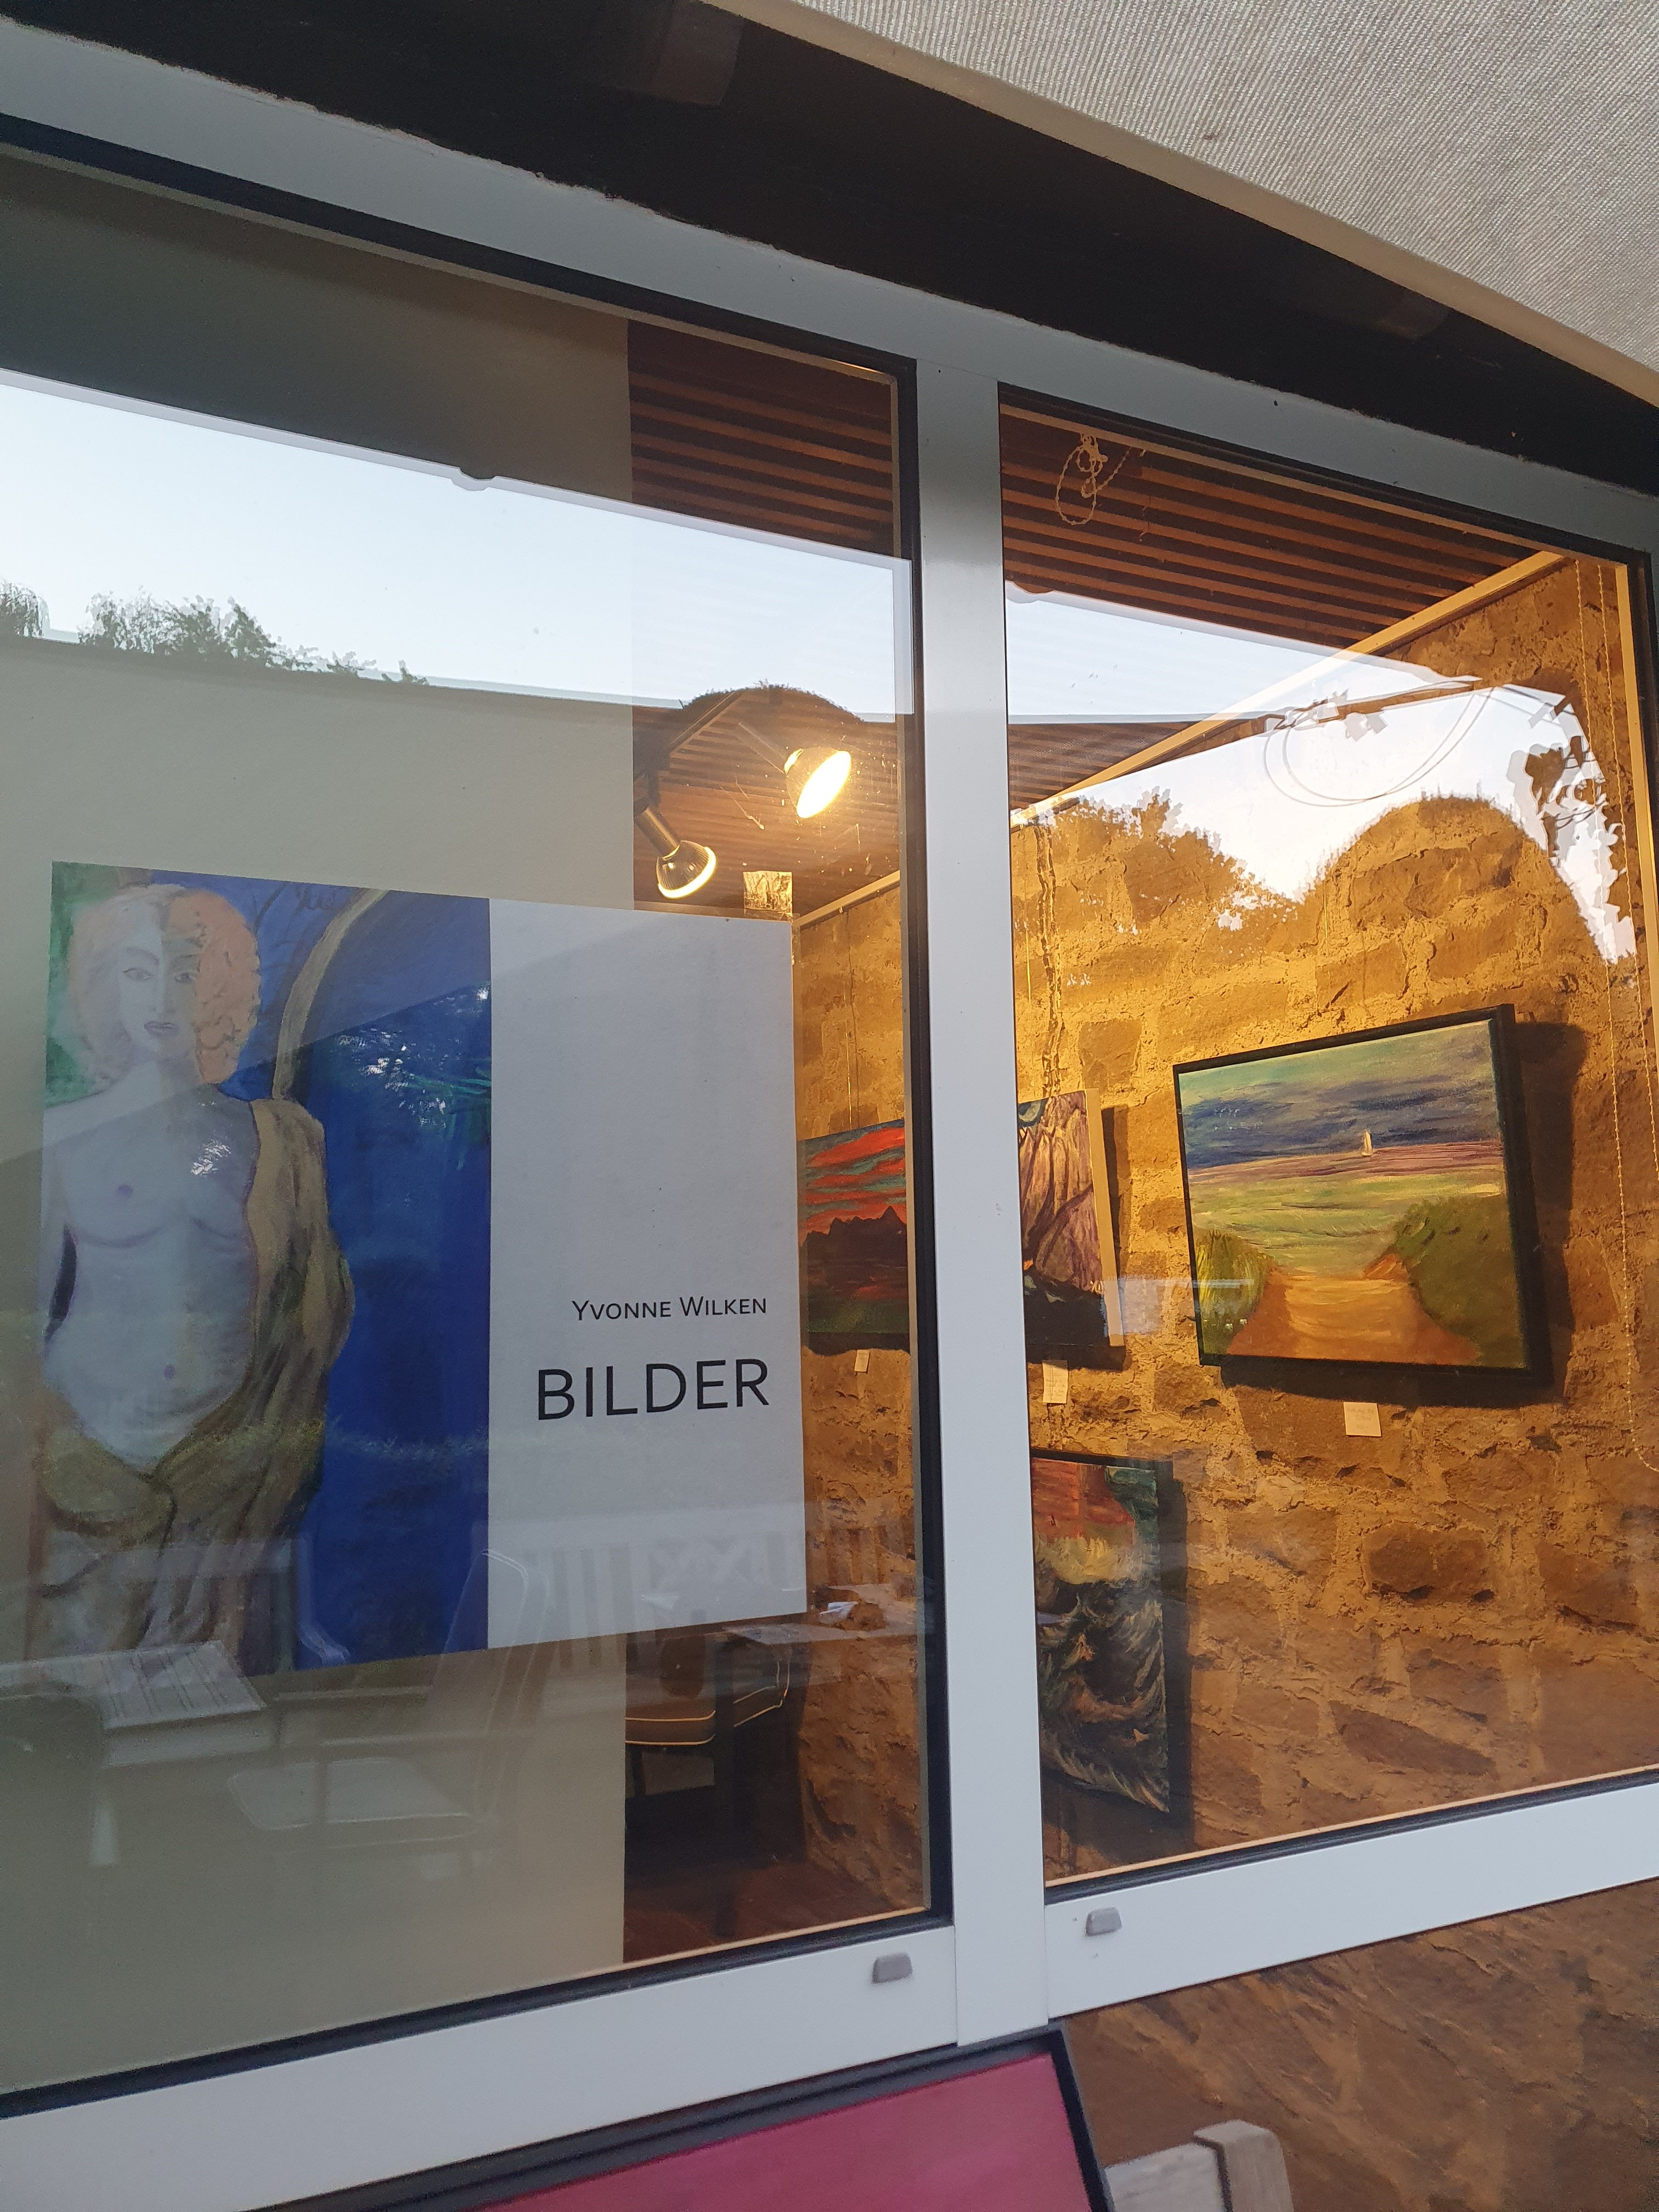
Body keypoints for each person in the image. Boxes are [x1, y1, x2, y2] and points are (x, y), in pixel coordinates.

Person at [31, 882, 352, 1664]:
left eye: (185, 971)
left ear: (222, 983)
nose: (164, 997)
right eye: (138, 971)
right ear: (103, 984)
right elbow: (25, 1323)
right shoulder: (61, 1139)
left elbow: (312, 1318)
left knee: (205, 1687)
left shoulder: (279, 1140)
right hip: (92, 1471)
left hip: (229, 1472)